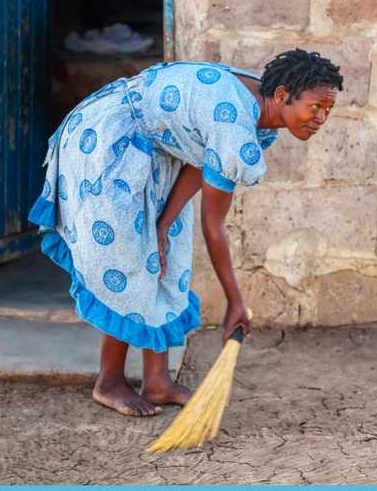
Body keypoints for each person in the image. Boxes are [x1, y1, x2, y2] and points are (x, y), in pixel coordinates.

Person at [29, 49, 343, 417]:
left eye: (328, 110)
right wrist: (235, 301)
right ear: (282, 94)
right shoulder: (235, 128)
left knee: (166, 254)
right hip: (109, 138)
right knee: (129, 264)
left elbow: (200, 156)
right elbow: (214, 226)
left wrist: (163, 224)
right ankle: (109, 381)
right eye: (315, 107)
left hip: (156, 150)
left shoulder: (256, 112)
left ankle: (157, 382)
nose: (321, 118)